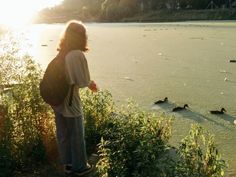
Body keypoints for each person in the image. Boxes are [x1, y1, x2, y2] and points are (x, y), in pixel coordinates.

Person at [53, 20, 98, 176]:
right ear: (82, 37)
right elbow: (82, 81)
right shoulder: (77, 54)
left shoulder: (62, 52)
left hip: (57, 100)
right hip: (70, 102)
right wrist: (91, 84)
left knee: (63, 134)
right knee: (76, 134)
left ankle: (68, 164)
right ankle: (80, 167)